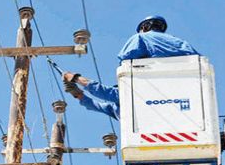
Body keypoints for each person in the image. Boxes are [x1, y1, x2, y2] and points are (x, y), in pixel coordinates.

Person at [64, 15, 199, 119]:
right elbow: (98, 105)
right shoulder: (182, 43)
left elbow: (126, 61)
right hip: (186, 95)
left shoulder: (141, 37)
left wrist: (75, 78)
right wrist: (76, 92)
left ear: (145, 27)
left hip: (153, 90)